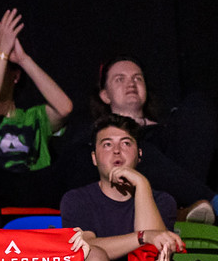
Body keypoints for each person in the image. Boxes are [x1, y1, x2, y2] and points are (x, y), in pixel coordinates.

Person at [58, 115, 181, 261]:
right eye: (107, 144)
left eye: (126, 143)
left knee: (156, 254)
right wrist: (143, 236)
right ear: (94, 158)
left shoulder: (162, 200)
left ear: (139, 154)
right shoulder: (77, 199)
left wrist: (141, 185)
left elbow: (159, 244)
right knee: (90, 253)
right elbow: (84, 246)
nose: (116, 151)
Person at [0, 9, 76, 228]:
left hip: (36, 186)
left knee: (76, 156)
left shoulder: (33, 115)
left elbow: (65, 108)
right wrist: (2, 50)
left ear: (15, 76)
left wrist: (21, 59)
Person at [64, 56, 216, 214]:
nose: (131, 83)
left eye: (137, 78)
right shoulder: (91, 137)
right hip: (129, 196)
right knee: (131, 149)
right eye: (120, 79)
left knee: (197, 105)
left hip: (184, 177)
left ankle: (192, 206)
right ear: (105, 95)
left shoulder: (170, 129)